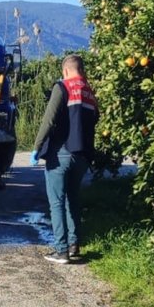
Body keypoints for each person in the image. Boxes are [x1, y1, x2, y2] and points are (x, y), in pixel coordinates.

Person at [30, 54, 98, 264]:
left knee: (57, 202)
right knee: (73, 198)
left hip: (62, 153)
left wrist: (37, 146)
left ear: (66, 70)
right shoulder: (90, 93)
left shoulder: (63, 87)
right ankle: (74, 244)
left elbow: (49, 120)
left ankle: (61, 250)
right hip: (83, 156)